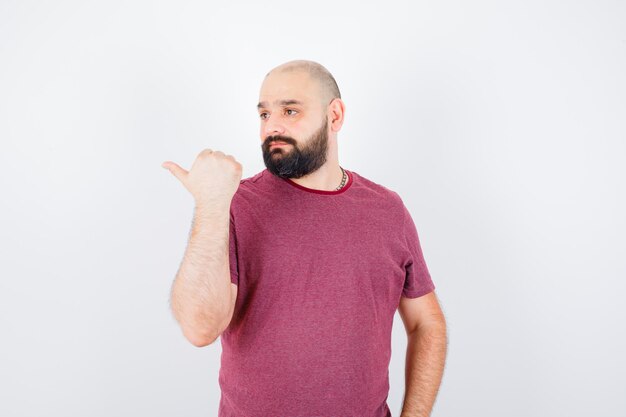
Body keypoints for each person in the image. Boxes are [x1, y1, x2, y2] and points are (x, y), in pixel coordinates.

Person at [162, 60, 448, 417]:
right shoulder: (235, 206)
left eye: (290, 110)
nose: (272, 126)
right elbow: (199, 328)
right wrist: (210, 202)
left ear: (335, 116)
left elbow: (426, 323)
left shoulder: (388, 211)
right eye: (264, 114)